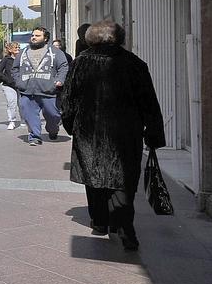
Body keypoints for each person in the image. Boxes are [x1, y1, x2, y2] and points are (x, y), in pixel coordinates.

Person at [60, 21, 164, 250]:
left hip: (89, 133)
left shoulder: (80, 63)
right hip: (125, 132)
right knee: (123, 179)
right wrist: (154, 133)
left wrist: (71, 126)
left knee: (93, 177)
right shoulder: (134, 63)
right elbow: (149, 102)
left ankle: (99, 221)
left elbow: (67, 101)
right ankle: (124, 225)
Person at [10, 26, 69, 146]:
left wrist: (59, 80)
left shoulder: (55, 52)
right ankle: (34, 136)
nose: (33, 38)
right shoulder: (23, 52)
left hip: (49, 92)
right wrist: (18, 82)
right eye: (32, 35)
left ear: (45, 38)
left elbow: (63, 67)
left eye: (37, 36)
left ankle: (53, 130)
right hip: (27, 92)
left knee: (53, 116)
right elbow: (15, 69)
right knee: (29, 115)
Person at [0, 42, 21, 129]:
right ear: (10, 50)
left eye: (18, 47)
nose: (18, 49)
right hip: (8, 85)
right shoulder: (6, 59)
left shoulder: (22, 58)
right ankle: (12, 121)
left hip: (21, 85)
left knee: (22, 104)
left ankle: (24, 120)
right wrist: (9, 81)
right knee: (12, 103)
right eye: (16, 47)